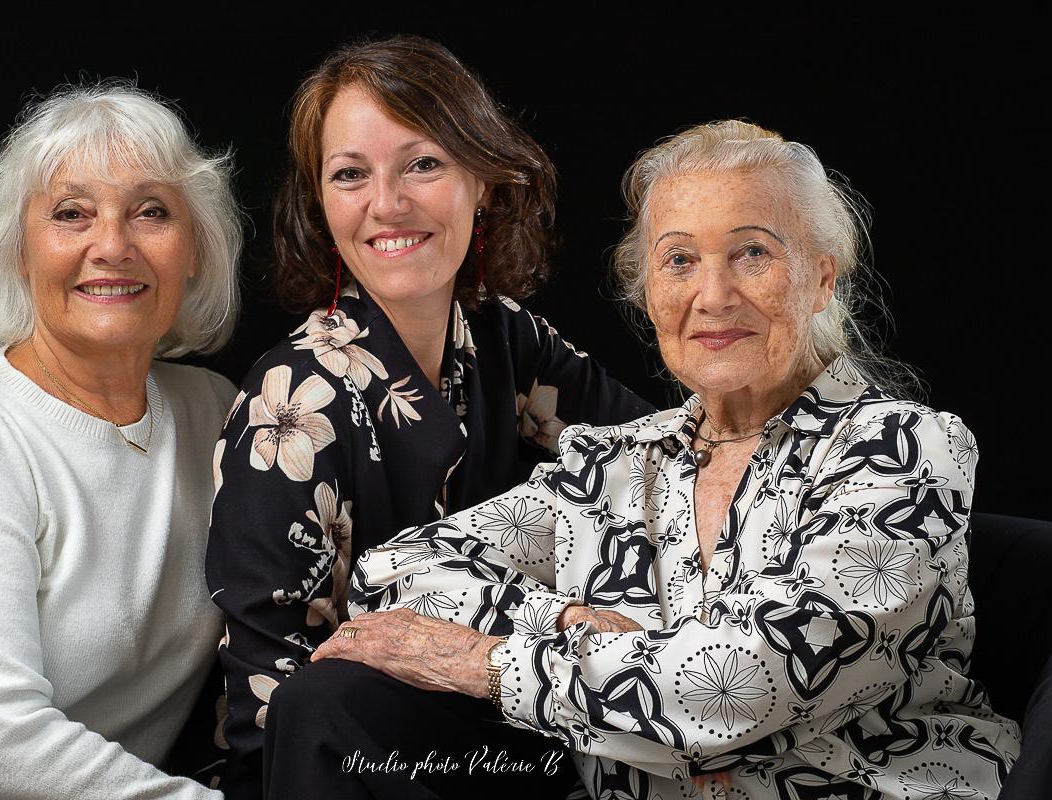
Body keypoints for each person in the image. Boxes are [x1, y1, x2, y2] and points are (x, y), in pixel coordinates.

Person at [308, 120, 1023, 799]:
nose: (713, 296)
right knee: (328, 705)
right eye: (679, 260)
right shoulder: (612, 464)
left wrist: (490, 665)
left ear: (823, 278)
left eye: (753, 252)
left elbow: (741, 686)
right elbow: (392, 575)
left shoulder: (903, 451)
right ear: (648, 292)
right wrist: (563, 621)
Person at [206, 35, 654, 795]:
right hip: (356, 764)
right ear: (321, 203)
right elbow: (271, 705)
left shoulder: (507, 338)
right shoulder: (292, 401)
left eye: (422, 164)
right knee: (323, 700)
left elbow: (658, 457)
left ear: (482, 180)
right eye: (351, 174)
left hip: (517, 723)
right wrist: (552, 620)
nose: (388, 204)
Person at [0, 84, 241, 799]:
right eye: (72, 214)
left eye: (151, 212)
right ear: (20, 254)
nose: (113, 246)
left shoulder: (216, 415)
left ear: (196, 250)